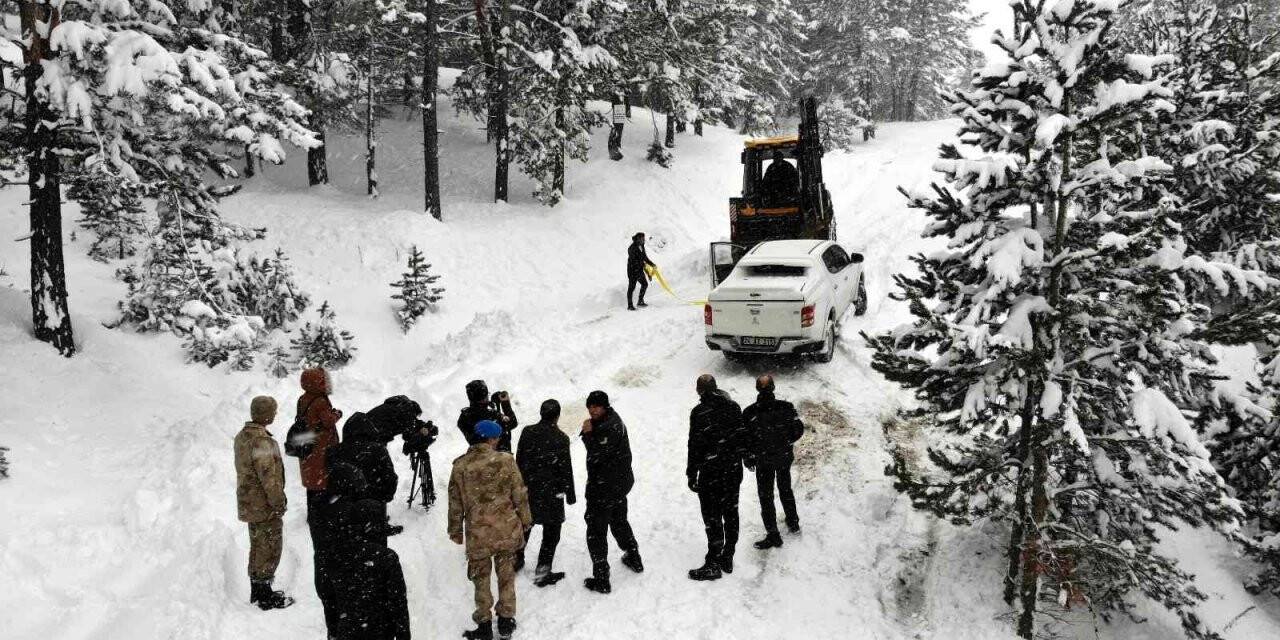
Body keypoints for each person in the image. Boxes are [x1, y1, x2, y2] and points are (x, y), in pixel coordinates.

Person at [449, 420, 533, 640]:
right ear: (492, 439)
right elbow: (519, 493)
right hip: (506, 529)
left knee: (480, 578)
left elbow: (455, 502)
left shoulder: (461, 466)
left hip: (478, 534)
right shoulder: (506, 461)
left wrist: (455, 530)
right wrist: (526, 519)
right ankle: (506, 620)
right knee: (506, 575)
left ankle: (484, 624)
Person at [317, 462, 411, 640]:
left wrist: (334, 631)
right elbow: (398, 604)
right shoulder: (386, 558)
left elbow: (331, 600)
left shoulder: (336, 557)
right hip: (382, 632)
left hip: (348, 630)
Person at [685, 375, 748, 581]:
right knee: (731, 511)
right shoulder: (734, 407)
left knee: (712, 516)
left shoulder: (699, 412)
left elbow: (694, 445)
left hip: (711, 471)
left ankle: (713, 560)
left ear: (699, 390)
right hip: (732, 470)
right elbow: (742, 437)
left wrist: (691, 472)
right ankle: (728, 554)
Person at [234, 395, 294, 610]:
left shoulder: (243, 436)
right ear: (266, 414)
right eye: (273, 411)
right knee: (269, 547)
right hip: (263, 505)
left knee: (258, 546)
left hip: (250, 503)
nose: (275, 414)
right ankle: (264, 597)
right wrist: (278, 502)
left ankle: (257, 591)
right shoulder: (262, 441)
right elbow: (268, 477)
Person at [580, 390, 643, 594]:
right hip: (617, 484)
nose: (592, 410)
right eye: (590, 406)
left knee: (596, 531)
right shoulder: (610, 420)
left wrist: (588, 434)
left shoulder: (609, 426)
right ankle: (633, 557)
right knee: (618, 520)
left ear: (605, 406)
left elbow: (598, 454)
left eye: (596, 406)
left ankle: (602, 578)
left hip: (604, 487)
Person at [515, 399, 576, 587]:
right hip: (552, 493)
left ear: (541, 413)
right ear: (557, 416)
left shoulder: (527, 432)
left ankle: (516, 560)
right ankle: (542, 571)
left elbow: (519, 460)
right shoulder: (561, 438)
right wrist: (570, 495)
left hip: (529, 490)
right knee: (551, 533)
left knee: (525, 527)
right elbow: (566, 469)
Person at [743, 375, 805, 549]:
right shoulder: (786, 407)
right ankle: (793, 522)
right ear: (773, 388)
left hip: (763, 460)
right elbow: (798, 429)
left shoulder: (749, 412)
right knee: (785, 489)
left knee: (766, 496)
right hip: (783, 457)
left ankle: (773, 534)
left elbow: (745, 439)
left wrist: (749, 456)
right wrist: (786, 443)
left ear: (757, 389)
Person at [327, 412, 401, 546]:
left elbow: (328, 486)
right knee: (374, 556)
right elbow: (390, 482)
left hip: (341, 517)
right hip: (373, 514)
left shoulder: (333, 452)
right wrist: (380, 497)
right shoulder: (378, 450)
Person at [297, 368, 343, 532]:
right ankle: (321, 515)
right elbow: (328, 421)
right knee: (323, 483)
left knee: (312, 484)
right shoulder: (320, 401)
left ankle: (312, 514)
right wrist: (337, 413)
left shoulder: (303, 398)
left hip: (309, 445)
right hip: (321, 448)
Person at [457, 380, 519, 452]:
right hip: (500, 459)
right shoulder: (492, 416)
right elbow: (512, 422)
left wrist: (493, 405)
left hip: (479, 457)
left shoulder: (464, 417)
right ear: (484, 396)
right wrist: (505, 403)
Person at [626, 233, 656, 311]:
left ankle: (640, 301)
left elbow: (644, 257)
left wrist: (652, 264)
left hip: (639, 269)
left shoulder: (641, 246)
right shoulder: (631, 248)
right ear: (638, 239)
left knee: (644, 284)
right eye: (642, 239)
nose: (644, 240)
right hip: (632, 271)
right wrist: (646, 269)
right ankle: (630, 305)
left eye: (644, 238)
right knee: (631, 288)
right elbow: (634, 261)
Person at [608, 93, 626, 161]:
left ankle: (617, 146)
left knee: (619, 131)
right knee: (616, 131)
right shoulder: (615, 93)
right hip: (617, 114)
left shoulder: (623, 93)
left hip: (621, 114)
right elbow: (613, 104)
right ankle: (614, 150)